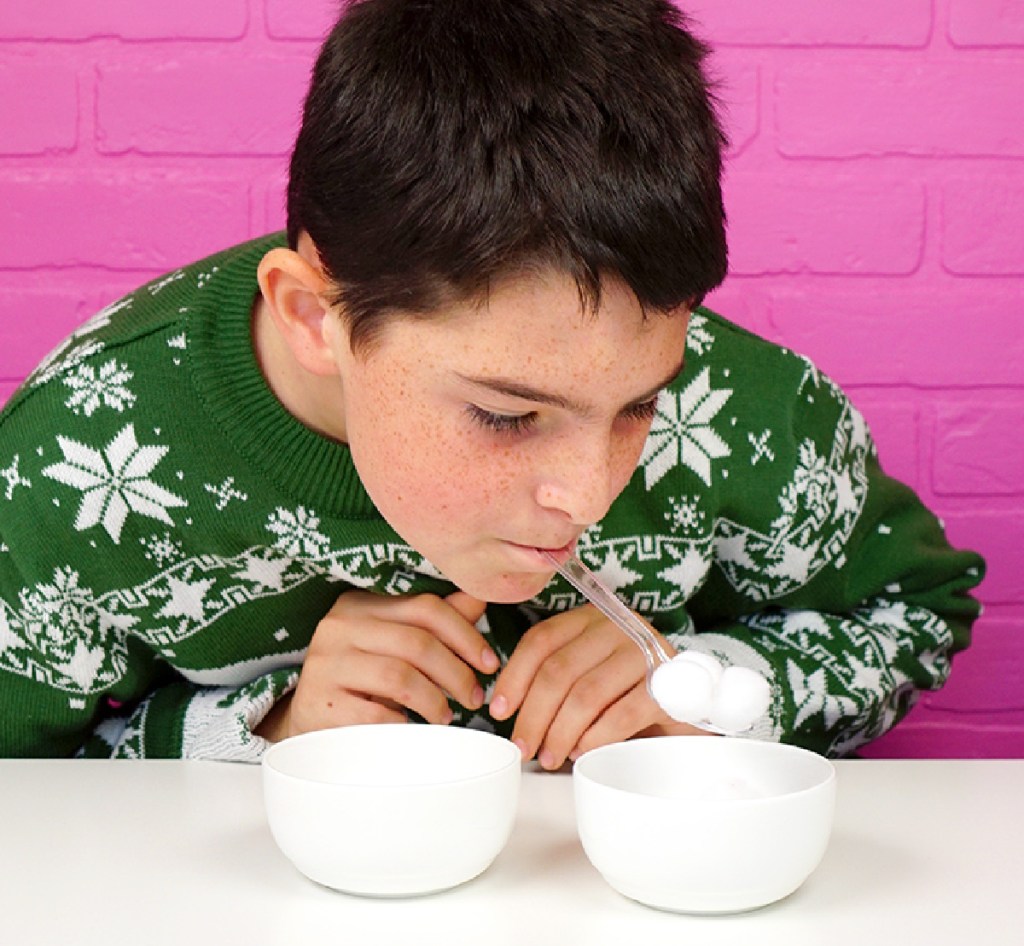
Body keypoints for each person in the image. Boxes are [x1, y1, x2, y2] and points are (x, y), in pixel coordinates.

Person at [0, 0, 983, 763]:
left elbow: (916, 610)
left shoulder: (740, 405)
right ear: (314, 318)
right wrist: (260, 729)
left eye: (641, 403)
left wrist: (715, 683)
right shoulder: (72, 469)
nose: (587, 493)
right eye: (508, 414)